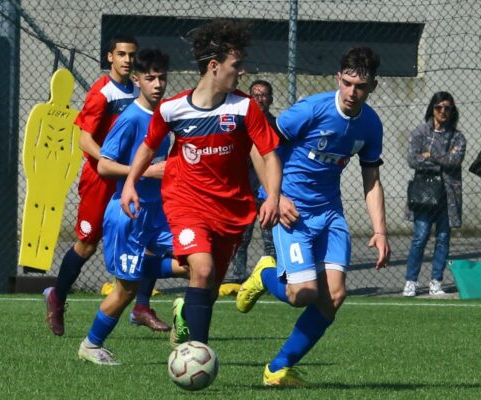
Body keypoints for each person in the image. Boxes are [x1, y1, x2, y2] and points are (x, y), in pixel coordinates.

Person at [120, 20, 282, 348]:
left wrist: (274, 196)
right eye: (236, 65)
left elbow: (269, 155)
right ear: (214, 66)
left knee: (207, 287)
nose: (242, 71)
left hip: (231, 208)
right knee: (203, 269)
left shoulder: (244, 107)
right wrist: (130, 184)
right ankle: (199, 354)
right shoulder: (173, 108)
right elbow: (148, 147)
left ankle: (182, 309)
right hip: (186, 202)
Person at [236, 47, 391, 387]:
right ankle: (265, 275)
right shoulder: (310, 110)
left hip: (330, 214)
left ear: (373, 87)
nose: (352, 92)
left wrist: (380, 231)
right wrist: (276, 197)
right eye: (348, 83)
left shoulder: (370, 124)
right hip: (292, 210)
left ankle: (277, 369)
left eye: (361, 86)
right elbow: (261, 146)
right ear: (338, 78)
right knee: (303, 293)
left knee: (334, 296)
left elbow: (371, 179)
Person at [44, 35, 169, 336]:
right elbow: (85, 139)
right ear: (109, 57)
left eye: (132, 55)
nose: (127, 60)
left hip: (135, 180)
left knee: (150, 242)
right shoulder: (102, 92)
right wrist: (124, 166)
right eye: (121, 54)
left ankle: (140, 306)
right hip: (102, 180)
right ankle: (57, 297)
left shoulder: (145, 91)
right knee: (87, 244)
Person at [78, 48, 188, 365]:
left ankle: (183, 322)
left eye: (162, 77)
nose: (157, 84)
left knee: (195, 262)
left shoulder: (166, 115)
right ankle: (90, 344)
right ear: (137, 80)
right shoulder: (129, 119)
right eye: (150, 78)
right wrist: (144, 171)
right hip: (129, 213)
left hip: (159, 212)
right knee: (126, 290)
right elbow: (104, 167)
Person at [403, 92, 466, 297]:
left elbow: (455, 161)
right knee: (420, 237)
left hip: (448, 195)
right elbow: (413, 159)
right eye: (439, 107)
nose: (443, 112)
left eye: (447, 108)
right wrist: (442, 158)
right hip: (425, 193)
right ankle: (411, 281)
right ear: (432, 108)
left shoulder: (457, 137)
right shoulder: (420, 132)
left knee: (442, 238)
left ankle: (436, 280)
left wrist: (430, 155)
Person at [229, 80, 280, 282]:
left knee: (271, 240)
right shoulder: (241, 124)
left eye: (264, 95)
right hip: (246, 189)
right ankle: (238, 277)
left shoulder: (276, 126)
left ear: (271, 99)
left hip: (267, 190)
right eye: (255, 95)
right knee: (242, 237)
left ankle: (270, 277)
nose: (259, 99)